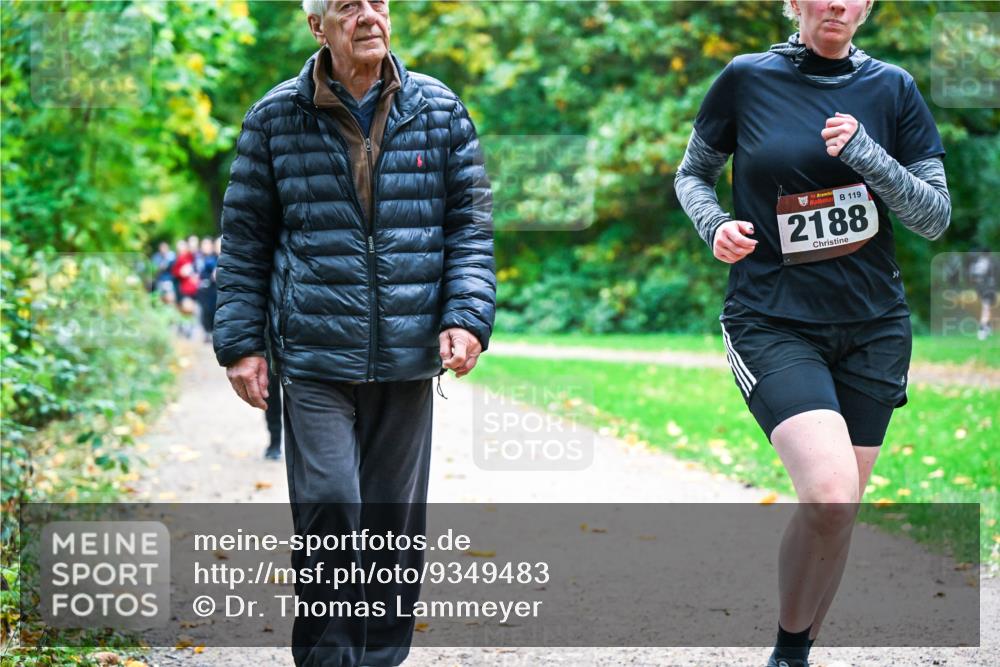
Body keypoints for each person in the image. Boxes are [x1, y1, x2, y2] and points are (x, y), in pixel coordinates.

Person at [212, 1, 495, 665]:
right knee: (331, 506)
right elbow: (246, 240)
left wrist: (465, 314)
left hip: (406, 351)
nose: (369, 16)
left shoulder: (439, 109)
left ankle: (379, 659)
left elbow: (469, 227)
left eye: (378, 3)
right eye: (348, 5)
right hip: (312, 354)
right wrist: (242, 343)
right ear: (318, 26)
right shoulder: (275, 117)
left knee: (394, 526)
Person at [674, 1, 950, 665]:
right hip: (772, 318)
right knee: (828, 495)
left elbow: (934, 216)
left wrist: (866, 153)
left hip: (873, 326)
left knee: (840, 509)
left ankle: (795, 652)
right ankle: (789, 654)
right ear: (794, 3)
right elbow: (693, 174)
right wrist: (715, 225)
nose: (835, 3)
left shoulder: (893, 89)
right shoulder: (747, 78)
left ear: (866, 7)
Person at [967, 250, 996, 340]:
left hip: (981, 288)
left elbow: (971, 277)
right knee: (986, 309)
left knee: (987, 308)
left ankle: (987, 327)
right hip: (987, 288)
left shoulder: (976, 263)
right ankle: (982, 330)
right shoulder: (988, 262)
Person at [196, 237, 219, 343]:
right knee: (204, 312)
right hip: (202, 290)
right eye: (204, 244)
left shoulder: (216, 258)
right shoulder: (199, 258)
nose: (206, 247)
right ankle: (206, 333)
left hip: (213, 289)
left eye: (208, 244)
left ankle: (211, 333)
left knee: (212, 311)